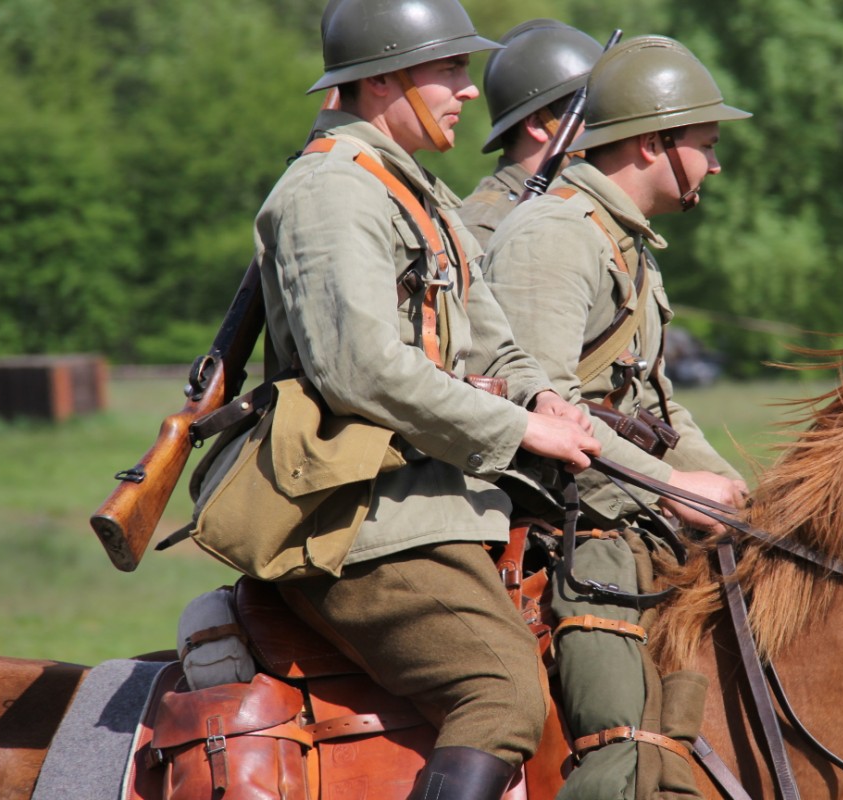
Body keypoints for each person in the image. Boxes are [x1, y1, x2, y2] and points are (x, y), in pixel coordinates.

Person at [198, 1, 601, 798]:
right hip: (356, 513)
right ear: (384, 79)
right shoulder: (332, 192)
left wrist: (545, 400)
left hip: (430, 500)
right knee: (503, 695)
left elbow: (492, 342)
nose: (470, 90)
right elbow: (361, 369)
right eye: (449, 69)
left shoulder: (411, 189)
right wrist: (521, 430)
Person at [482, 35, 752, 799]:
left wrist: (740, 497)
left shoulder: (623, 242)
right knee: (623, 736)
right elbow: (545, 416)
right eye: (706, 144)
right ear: (652, 143)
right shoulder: (554, 237)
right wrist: (673, 487)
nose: (715, 164)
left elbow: (656, 406)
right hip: (560, 527)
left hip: (614, 505)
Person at [459, 19, 603, 249]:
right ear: (537, 124)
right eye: (590, 114)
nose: (604, 127)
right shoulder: (485, 226)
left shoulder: (577, 209)